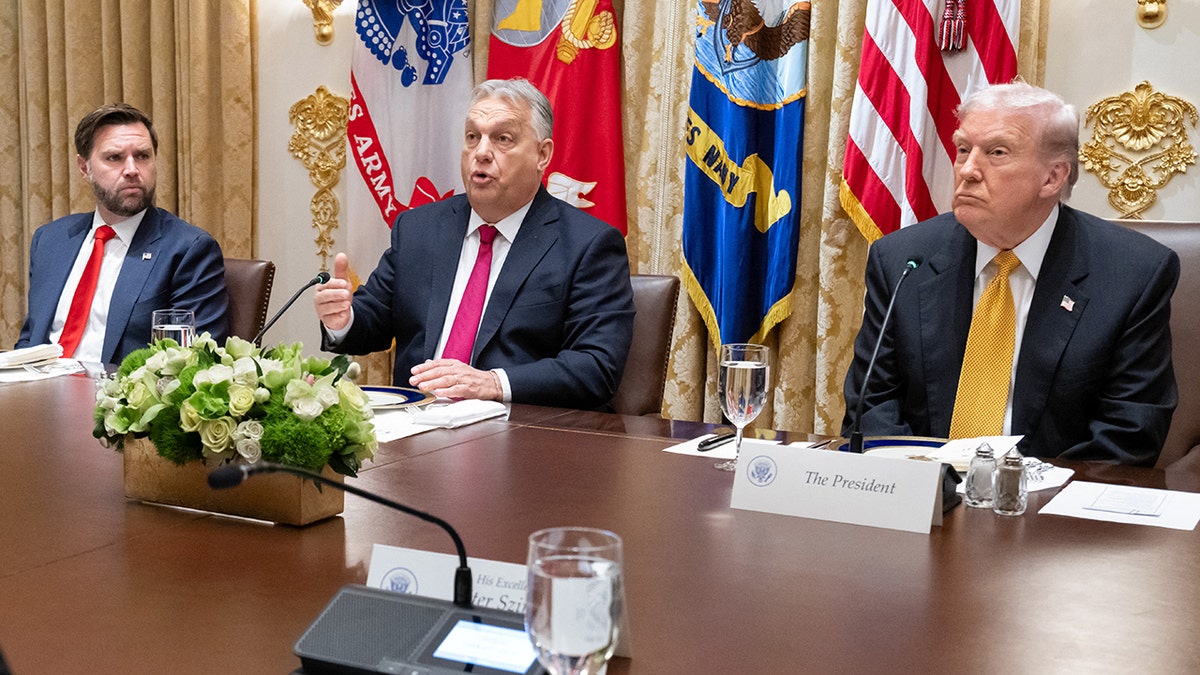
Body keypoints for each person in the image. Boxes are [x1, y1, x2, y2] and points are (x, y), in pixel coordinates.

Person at [842, 81, 1178, 467]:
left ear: (1052, 178)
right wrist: (934, 492)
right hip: (923, 498)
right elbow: (871, 405)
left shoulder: (1132, 274)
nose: (967, 170)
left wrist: (1013, 501)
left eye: (996, 153)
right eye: (963, 149)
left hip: (1047, 511)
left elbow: (1128, 437)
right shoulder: (903, 259)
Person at [315, 78, 635, 409]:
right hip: (412, 426)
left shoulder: (588, 245)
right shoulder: (417, 228)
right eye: (472, 137)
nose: (481, 152)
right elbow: (374, 321)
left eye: (503, 139)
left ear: (543, 154)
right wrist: (343, 319)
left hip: (515, 437)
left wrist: (492, 382)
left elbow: (597, 367)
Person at [16, 102, 229, 364]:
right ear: (85, 168)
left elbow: (193, 363)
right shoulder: (51, 240)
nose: (131, 170)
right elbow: (30, 341)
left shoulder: (187, 249)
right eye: (114, 158)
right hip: (38, 396)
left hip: (113, 399)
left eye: (142, 156)